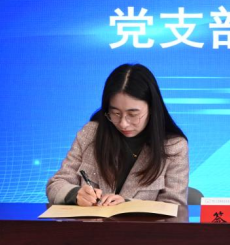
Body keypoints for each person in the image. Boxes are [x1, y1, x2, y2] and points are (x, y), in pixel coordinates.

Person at [47, 63, 189, 207]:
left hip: (142, 223)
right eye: (115, 113)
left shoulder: (174, 146)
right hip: (92, 221)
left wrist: (128, 204)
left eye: (133, 114)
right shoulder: (91, 133)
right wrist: (75, 194)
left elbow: (174, 205)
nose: (123, 123)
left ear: (152, 108)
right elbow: (56, 184)